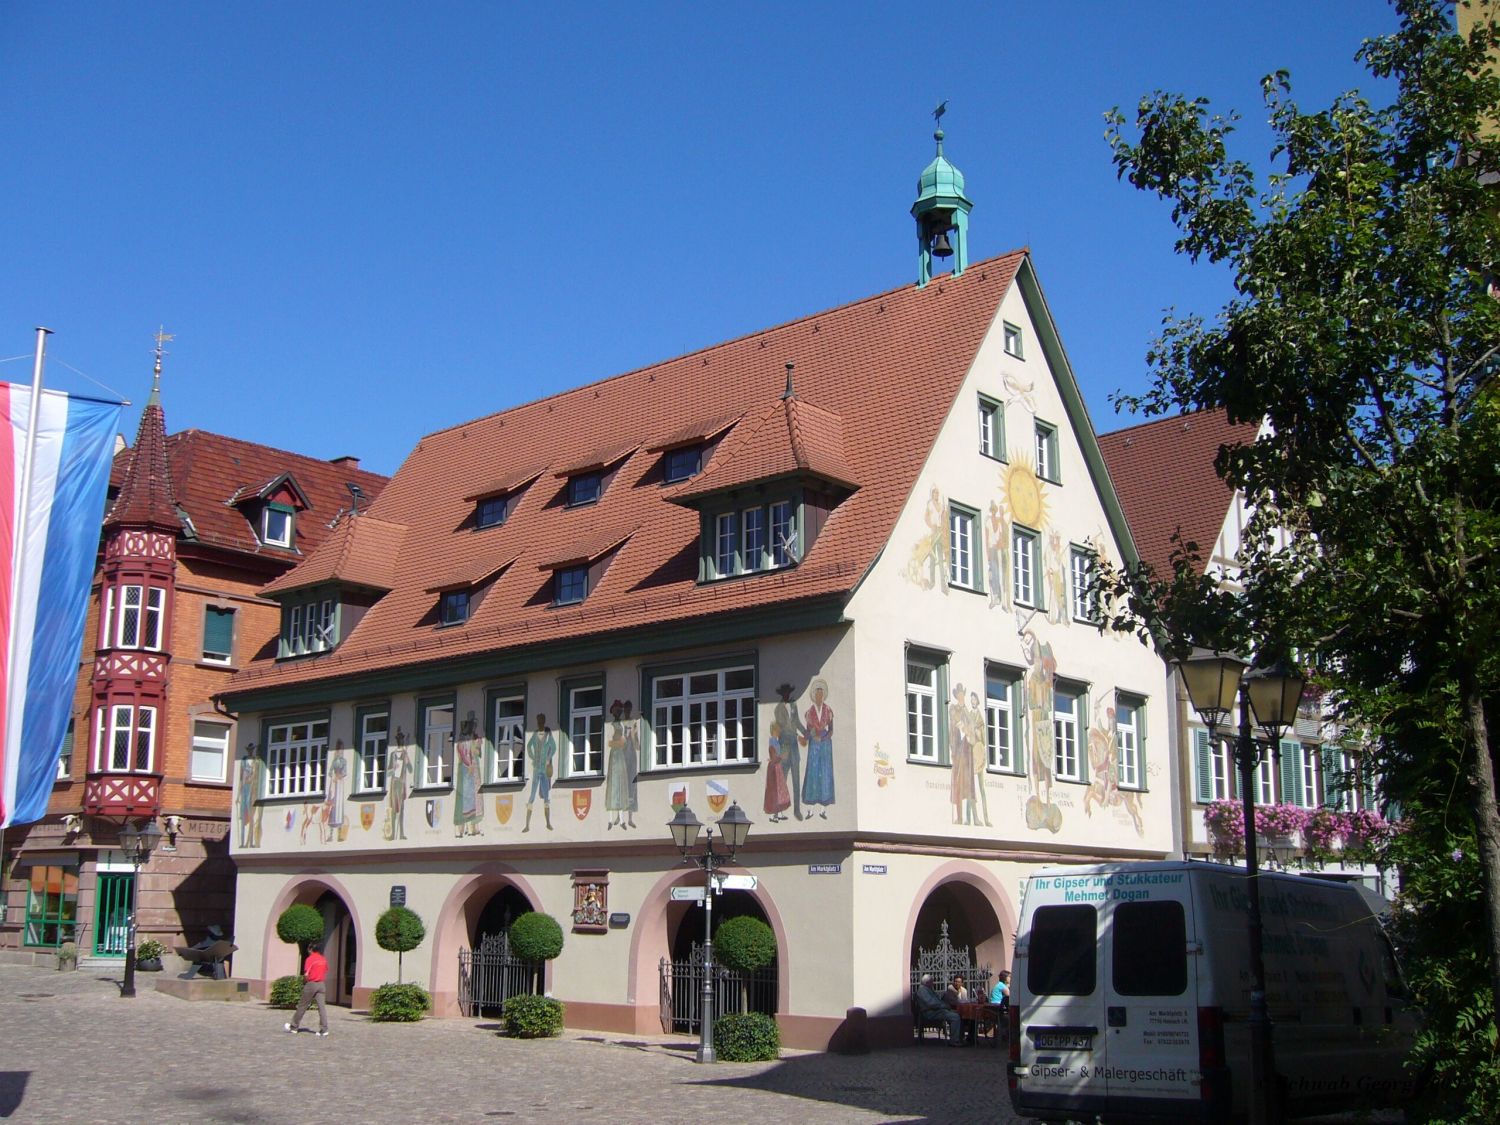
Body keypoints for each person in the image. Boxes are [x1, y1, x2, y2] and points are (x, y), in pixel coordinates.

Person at [285, 940, 330, 1037]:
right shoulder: (323, 959)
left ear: (311, 949)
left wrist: (304, 982)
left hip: (311, 984)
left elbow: (306, 974)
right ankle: (324, 1029)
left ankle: (294, 1026)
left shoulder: (310, 959)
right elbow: (326, 970)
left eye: (309, 949)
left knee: (302, 1005)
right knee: (321, 1007)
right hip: (321, 985)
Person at [915, 972, 963, 1046]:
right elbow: (931, 1003)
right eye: (931, 982)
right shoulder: (922, 990)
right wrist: (943, 1006)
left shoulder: (928, 989)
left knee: (957, 1014)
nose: (933, 984)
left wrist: (944, 1005)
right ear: (927, 982)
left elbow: (936, 1001)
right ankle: (954, 1041)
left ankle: (959, 1038)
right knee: (955, 1017)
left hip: (936, 1011)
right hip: (930, 1013)